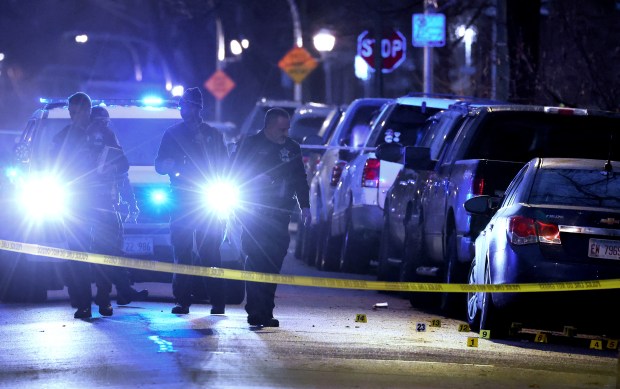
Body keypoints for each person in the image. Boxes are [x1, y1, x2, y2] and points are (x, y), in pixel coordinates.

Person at [231, 107, 311, 327]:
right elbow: (233, 172)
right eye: (281, 129)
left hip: (280, 215)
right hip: (254, 214)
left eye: (287, 128)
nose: (285, 133)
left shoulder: (292, 148)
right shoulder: (250, 144)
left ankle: (266, 311)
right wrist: (255, 178)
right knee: (256, 260)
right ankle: (255, 311)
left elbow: (299, 179)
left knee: (273, 264)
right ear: (268, 126)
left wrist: (305, 206)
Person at [154, 87, 229, 315]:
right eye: (182, 105)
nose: (184, 110)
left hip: (207, 199)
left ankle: (217, 301)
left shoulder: (213, 136)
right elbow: (158, 164)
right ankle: (183, 300)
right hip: (181, 200)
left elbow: (225, 165)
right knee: (182, 252)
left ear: (197, 108)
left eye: (187, 105)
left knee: (210, 252)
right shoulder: (172, 134)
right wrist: (170, 166)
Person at [87, 106, 148, 307]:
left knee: (114, 251)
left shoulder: (110, 141)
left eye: (105, 122)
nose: (102, 126)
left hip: (110, 207)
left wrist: (131, 202)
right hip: (87, 208)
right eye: (98, 122)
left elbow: (123, 171)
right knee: (105, 252)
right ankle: (110, 294)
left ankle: (121, 292)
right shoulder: (82, 143)